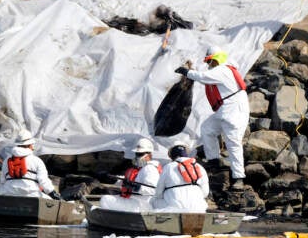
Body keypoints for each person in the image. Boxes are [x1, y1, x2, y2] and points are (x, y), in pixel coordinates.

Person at [174, 47, 248, 190]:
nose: (209, 65)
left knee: (233, 143)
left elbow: (203, 77)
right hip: (224, 109)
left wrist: (187, 72)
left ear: (216, 59)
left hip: (233, 111)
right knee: (207, 129)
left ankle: (239, 177)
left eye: (210, 61)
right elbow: (206, 78)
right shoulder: (221, 71)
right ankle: (214, 160)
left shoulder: (223, 70)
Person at [0, 129, 62, 200]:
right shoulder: (36, 160)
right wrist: (53, 193)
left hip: (9, 192)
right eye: (32, 145)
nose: (33, 147)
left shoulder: (6, 160)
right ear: (29, 145)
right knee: (51, 202)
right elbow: (43, 181)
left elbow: (2, 181)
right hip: (31, 194)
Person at [99, 137, 162, 212]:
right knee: (108, 197)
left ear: (149, 155)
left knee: (105, 199)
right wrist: (113, 179)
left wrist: (135, 187)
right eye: (137, 154)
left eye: (140, 154)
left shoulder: (150, 169)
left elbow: (153, 190)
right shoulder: (141, 169)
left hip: (143, 205)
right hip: (136, 202)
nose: (137, 156)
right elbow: (128, 181)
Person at [151, 142, 210, 213]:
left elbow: (158, 192)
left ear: (172, 156)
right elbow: (205, 192)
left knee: (154, 201)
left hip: (175, 208)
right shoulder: (199, 167)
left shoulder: (168, 167)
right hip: (198, 208)